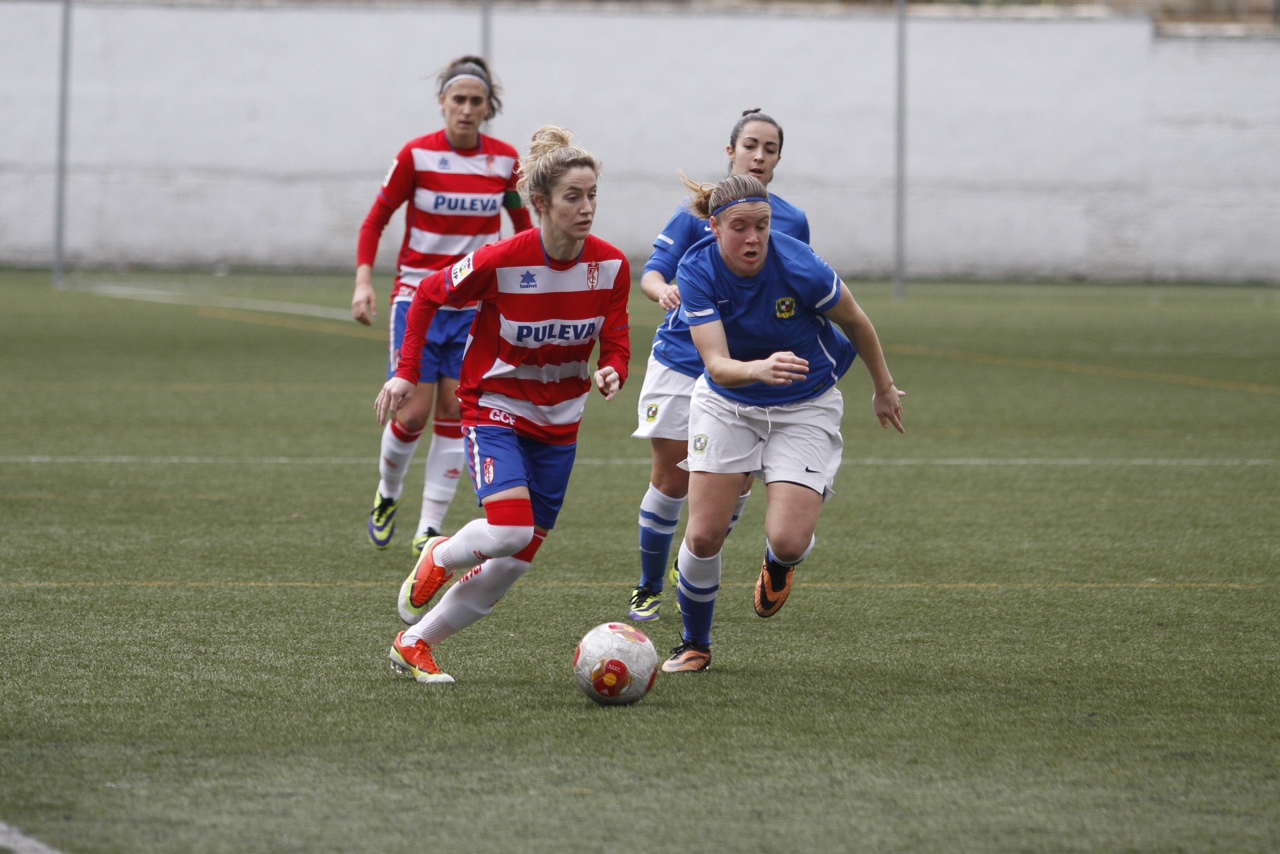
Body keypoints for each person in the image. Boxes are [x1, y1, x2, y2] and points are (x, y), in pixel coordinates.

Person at [375, 126, 631, 684]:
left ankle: (413, 643)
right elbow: (427, 295)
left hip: (560, 424)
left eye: (592, 196)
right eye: (573, 197)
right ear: (540, 204)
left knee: (513, 561)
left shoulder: (610, 266)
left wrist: (614, 368)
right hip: (495, 408)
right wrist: (405, 373)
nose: (587, 208)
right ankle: (441, 554)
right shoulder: (501, 259)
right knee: (511, 531)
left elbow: (615, 337)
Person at [660, 172, 905, 674]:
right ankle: (695, 644)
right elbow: (716, 365)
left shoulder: (798, 264)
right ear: (714, 227)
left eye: (762, 226)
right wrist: (758, 370)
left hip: (806, 405)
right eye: (740, 227)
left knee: (789, 541)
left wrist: (882, 388)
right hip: (727, 402)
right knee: (704, 536)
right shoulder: (697, 269)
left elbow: (856, 321)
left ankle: (779, 567)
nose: (753, 238)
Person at [627, 109, 809, 622]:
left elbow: (795, 288)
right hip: (682, 361)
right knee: (671, 476)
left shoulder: (790, 221)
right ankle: (647, 585)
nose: (759, 155)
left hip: (745, 370)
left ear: (777, 159)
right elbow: (653, 274)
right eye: (750, 144)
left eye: (770, 148)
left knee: (738, 485)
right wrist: (665, 291)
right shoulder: (697, 213)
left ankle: (692, 564)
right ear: (730, 151)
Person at [352, 55, 533, 559]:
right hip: (417, 299)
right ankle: (388, 495)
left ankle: (429, 528)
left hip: (472, 305)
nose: (467, 110)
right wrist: (363, 283)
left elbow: (522, 230)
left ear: (487, 108)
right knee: (412, 414)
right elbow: (376, 220)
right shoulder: (416, 157)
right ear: (443, 104)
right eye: (459, 100)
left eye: (477, 102)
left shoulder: (504, 162)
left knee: (456, 410)